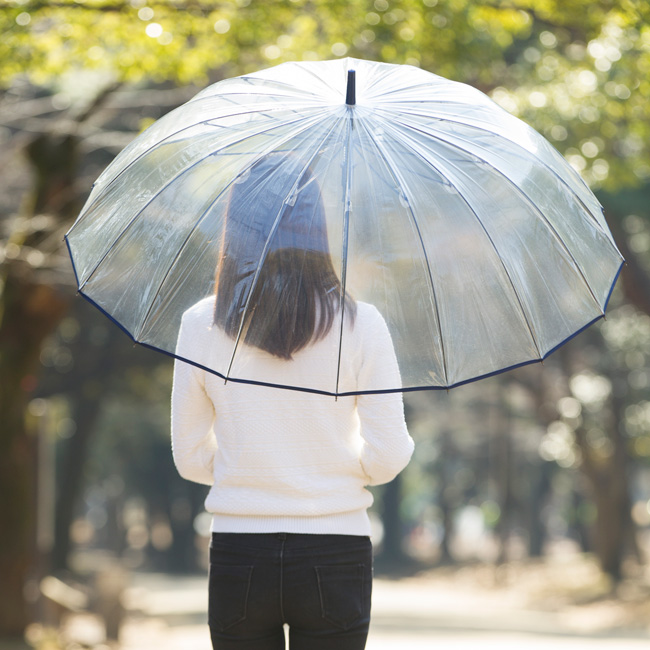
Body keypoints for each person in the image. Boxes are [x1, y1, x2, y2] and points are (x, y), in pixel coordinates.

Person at [171, 153, 414, 650]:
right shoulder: (361, 324)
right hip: (336, 546)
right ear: (316, 226)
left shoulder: (200, 324)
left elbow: (189, 455)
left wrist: (252, 468)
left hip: (240, 550)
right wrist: (332, 469)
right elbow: (388, 455)